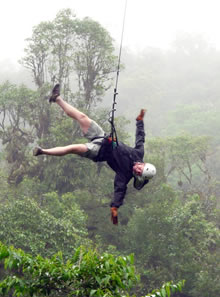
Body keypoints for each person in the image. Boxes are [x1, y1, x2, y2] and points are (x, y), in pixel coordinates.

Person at [33, 84, 156, 224]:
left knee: (74, 148)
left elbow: (120, 191)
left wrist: (115, 208)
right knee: (81, 117)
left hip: (98, 151)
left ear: (138, 176)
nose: (137, 170)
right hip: (103, 137)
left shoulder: (125, 174)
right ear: (143, 164)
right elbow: (140, 137)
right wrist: (140, 120)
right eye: (140, 169)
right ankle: (56, 98)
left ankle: (42, 151)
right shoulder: (138, 153)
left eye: (138, 173)